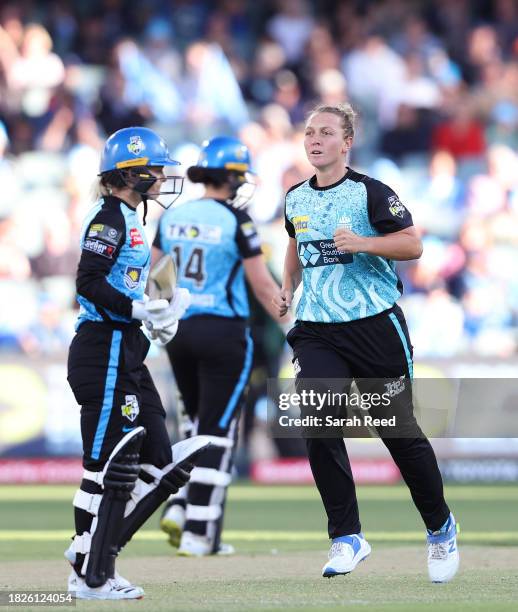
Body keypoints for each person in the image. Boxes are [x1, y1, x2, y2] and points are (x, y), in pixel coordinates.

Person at [272, 103, 459, 583]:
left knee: (396, 430)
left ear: (346, 142)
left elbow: (413, 244)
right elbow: (296, 243)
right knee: (317, 419)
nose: (314, 140)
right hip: (316, 328)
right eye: (309, 132)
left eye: (326, 132)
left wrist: (363, 243)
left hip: (374, 326)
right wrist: (288, 286)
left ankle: (440, 529)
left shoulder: (370, 193)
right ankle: (347, 537)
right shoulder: (295, 197)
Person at [66, 126, 212, 600]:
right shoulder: (110, 216)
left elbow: (128, 285)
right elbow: (87, 282)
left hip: (127, 348)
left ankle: (95, 554)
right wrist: (135, 310)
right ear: (129, 172)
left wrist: (160, 311)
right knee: (109, 464)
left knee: (160, 458)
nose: (161, 177)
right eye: (153, 168)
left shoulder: (130, 216)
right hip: (104, 346)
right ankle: (90, 566)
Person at [153, 136, 283, 556]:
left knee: (193, 425)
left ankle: (177, 503)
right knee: (217, 431)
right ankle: (199, 531)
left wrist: (165, 315)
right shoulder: (237, 220)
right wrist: (296, 324)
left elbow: (155, 273)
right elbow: (262, 285)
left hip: (179, 331)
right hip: (224, 332)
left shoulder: (173, 216)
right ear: (231, 177)